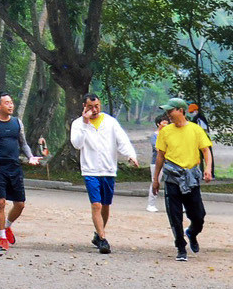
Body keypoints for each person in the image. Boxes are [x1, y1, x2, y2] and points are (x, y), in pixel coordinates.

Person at [69, 92, 140, 254]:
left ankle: (97, 234)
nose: (94, 110)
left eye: (97, 106)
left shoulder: (110, 122)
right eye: (90, 107)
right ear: (84, 107)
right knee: (96, 205)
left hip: (108, 169)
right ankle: (102, 239)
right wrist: (86, 124)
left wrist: (130, 155)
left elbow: (122, 140)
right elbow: (77, 144)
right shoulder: (78, 124)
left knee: (105, 206)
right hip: (90, 169)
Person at [0, 90, 41, 251]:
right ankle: (2, 238)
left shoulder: (17, 123)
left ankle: (7, 225)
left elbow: (23, 143)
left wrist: (30, 156)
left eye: (11, 102)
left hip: (14, 167)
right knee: (0, 202)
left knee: (20, 204)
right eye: (7, 103)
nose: (10, 105)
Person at [151, 99, 213, 261]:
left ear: (181, 110)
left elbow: (206, 151)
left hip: (191, 177)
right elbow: (160, 157)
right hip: (172, 177)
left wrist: (207, 169)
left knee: (198, 216)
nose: (168, 115)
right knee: (175, 215)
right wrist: (155, 180)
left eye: (171, 111)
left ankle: (192, 232)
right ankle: (180, 247)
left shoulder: (195, 130)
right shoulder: (165, 132)